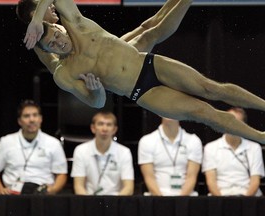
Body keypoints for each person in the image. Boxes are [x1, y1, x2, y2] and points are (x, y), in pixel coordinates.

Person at [24, 0, 265, 144]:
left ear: (59, 28)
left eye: (57, 35)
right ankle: (262, 137)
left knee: (210, 88)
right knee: (204, 113)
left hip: (149, 64)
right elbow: (96, 103)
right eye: (52, 45)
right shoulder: (65, 72)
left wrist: (36, 19)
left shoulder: (77, 23)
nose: (58, 42)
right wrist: (97, 91)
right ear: (49, 51)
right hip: (142, 92)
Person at [16, 0, 192, 52]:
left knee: (146, 26)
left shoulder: (57, 24)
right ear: (33, 14)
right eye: (42, 6)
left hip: (103, 47)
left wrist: (38, 18)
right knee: (150, 35)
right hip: (104, 66)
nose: (51, 5)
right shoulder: (40, 44)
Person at [0, 100, 68, 195]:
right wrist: (0, 189)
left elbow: (61, 173)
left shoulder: (53, 143)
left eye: (35, 115)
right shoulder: (6, 141)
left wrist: (53, 190)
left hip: (42, 195)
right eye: (26, 116)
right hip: (13, 194)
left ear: (41, 119)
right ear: (19, 121)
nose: (31, 120)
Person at [202, 107, 264, 196]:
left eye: (237, 124)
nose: (232, 127)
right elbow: (211, 182)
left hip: (248, 199)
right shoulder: (211, 148)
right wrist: (222, 204)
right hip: (220, 198)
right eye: (229, 122)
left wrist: (244, 204)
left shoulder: (254, 148)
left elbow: (255, 181)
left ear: (244, 127)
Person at [71, 111, 134, 195]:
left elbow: (128, 188)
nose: (104, 129)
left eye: (109, 124)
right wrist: (87, 205)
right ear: (93, 128)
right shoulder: (81, 150)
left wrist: (115, 205)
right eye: (100, 124)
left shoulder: (124, 152)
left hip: (116, 202)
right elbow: (78, 186)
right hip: (89, 201)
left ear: (114, 129)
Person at [138, 117, 202, 196]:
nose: (169, 111)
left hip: (185, 199)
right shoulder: (147, 141)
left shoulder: (193, 141)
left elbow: (191, 177)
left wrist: (179, 202)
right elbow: (149, 177)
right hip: (156, 199)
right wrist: (163, 202)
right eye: (166, 106)